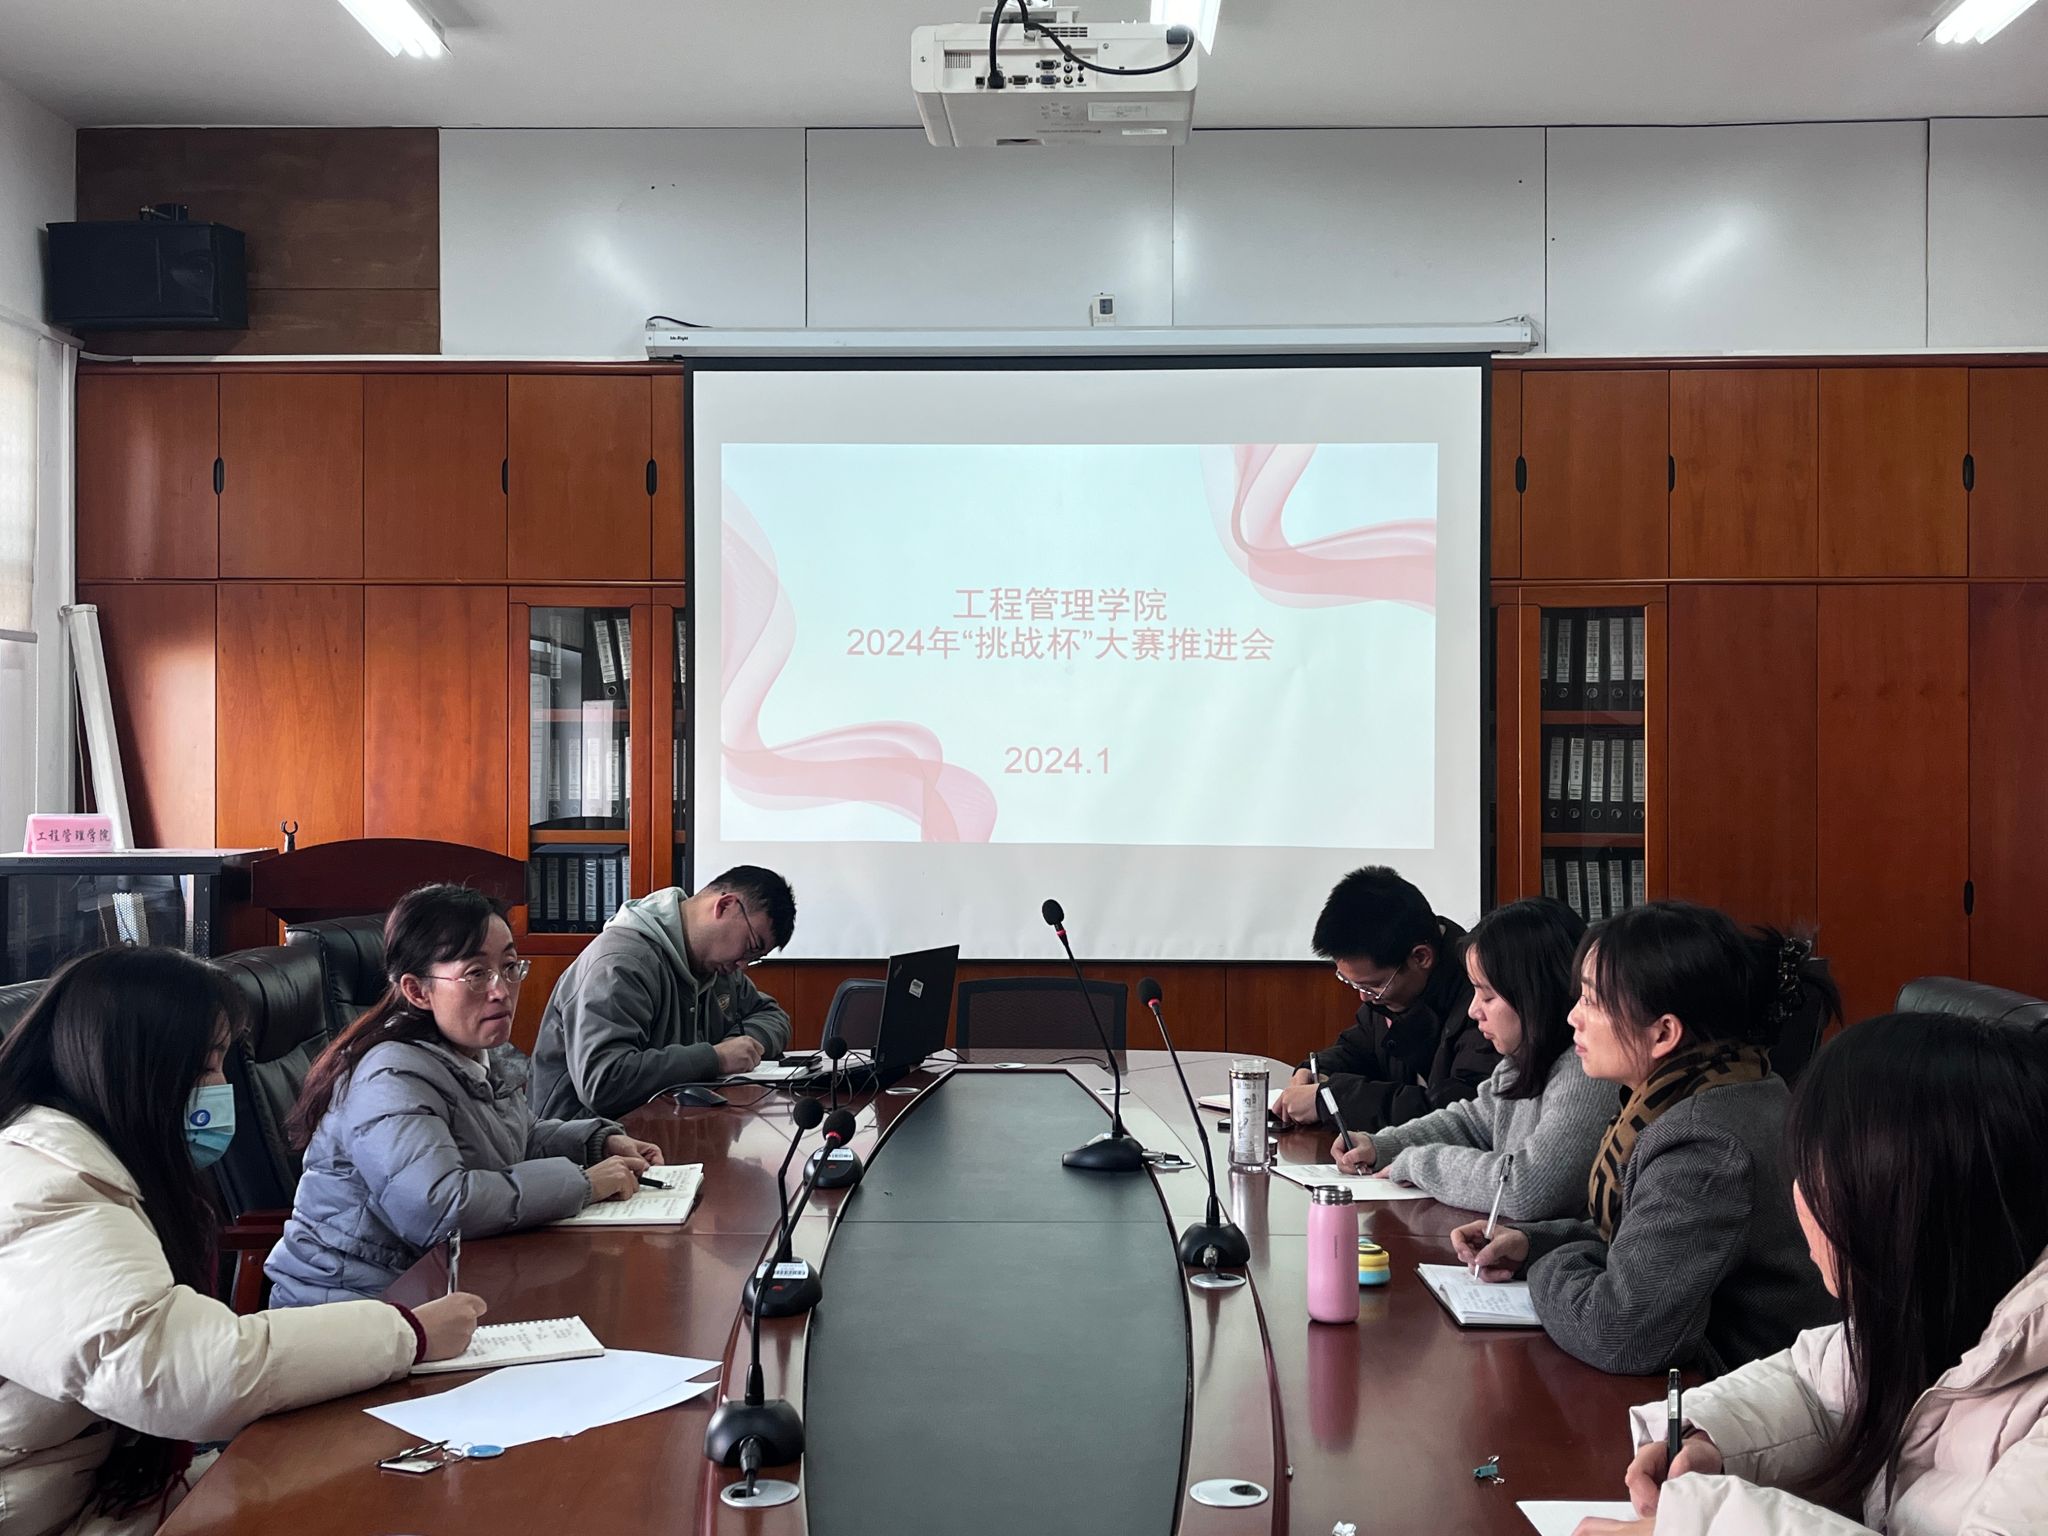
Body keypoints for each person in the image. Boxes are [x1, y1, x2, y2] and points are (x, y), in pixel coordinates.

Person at [0, 947, 485, 1536]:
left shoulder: (94, 1164)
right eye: (209, 1065)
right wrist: (408, 1334)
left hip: (109, 1493)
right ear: (139, 1067)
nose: (222, 1086)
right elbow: (177, 1372)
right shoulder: (41, 1189)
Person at [1579, 1012, 2048, 1536]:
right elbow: (1814, 1388)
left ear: (1904, 1207)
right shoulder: (1937, 1306)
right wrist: (1710, 1439)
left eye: (1820, 1176)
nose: (1798, 1198)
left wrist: (1700, 1525)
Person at [1452, 901, 1837, 1377]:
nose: (1572, 1017)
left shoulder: (1705, 1145)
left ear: (1663, 1034)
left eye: (1592, 1001)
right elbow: (1647, 1242)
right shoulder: (1726, 1086)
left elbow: (1617, 1333)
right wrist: (1531, 1244)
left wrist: (1549, 1266)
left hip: (1724, 1394)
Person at [267, 885, 663, 1307]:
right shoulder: (389, 1076)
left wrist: (596, 1142)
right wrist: (582, 1184)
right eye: (476, 974)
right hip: (351, 1307)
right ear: (417, 991)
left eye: (509, 967)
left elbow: (513, 1140)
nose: (501, 990)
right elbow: (438, 1209)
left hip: (437, 1285)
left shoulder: (478, 1052)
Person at [1330, 897, 1612, 1220]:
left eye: (1487, 996)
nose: (1473, 1010)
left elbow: (1526, 1187)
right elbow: (1470, 1124)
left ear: (1536, 995)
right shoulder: (1520, 1061)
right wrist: (1382, 1146)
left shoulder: (1585, 1072)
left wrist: (1416, 1163)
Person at [529, 865, 796, 1121]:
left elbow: (772, 1016)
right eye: (750, 946)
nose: (743, 965)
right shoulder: (621, 963)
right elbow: (603, 1081)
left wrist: (740, 1045)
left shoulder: (718, 968)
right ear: (725, 906)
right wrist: (716, 1058)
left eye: (755, 958)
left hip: (666, 1128)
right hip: (586, 1142)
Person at [1274, 865, 1490, 1131]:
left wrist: (1331, 1101)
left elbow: (1461, 1110)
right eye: (1350, 982)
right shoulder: (1391, 994)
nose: (1364, 997)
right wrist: (1315, 1070)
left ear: (1421, 957)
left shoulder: (1485, 997)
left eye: (1373, 985)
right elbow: (1358, 1051)